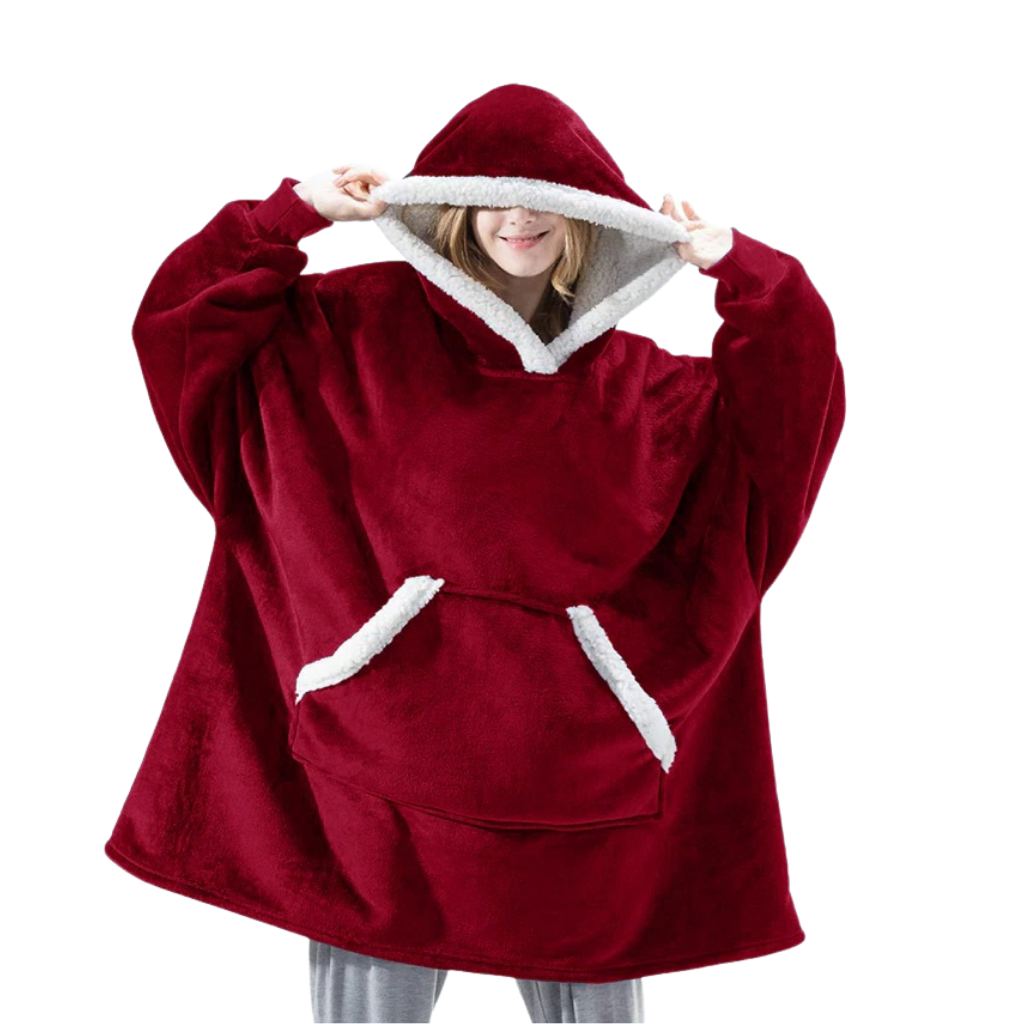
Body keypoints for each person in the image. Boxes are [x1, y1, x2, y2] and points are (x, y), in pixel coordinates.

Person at [105, 84, 846, 1024]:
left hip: (584, 797)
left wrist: (748, 273)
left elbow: (790, 422)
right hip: (371, 790)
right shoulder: (344, 334)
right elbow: (181, 329)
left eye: (549, 201)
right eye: (494, 195)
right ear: (452, 207)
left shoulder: (654, 396)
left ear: (591, 221)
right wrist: (290, 216)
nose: (519, 218)